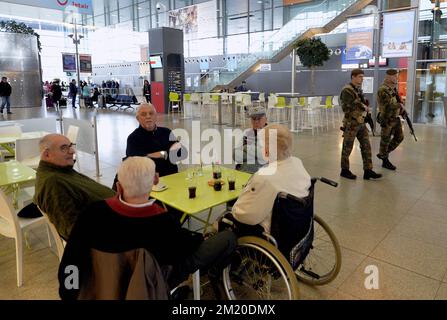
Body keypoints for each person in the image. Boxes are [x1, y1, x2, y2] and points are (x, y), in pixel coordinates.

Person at [58, 156, 237, 300]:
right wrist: (199, 238)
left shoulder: (93, 213)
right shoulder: (162, 221)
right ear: (155, 181)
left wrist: (70, 292)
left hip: (104, 283)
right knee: (226, 238)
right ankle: (213, 277)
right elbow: (182, 250)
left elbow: (71, 259)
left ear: (119, 186)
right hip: (153, 283)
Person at [230, 124, 311, 234]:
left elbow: (244, 215)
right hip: (298, 225)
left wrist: (234, 210)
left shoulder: (265, 177)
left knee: (226, 219)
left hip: (272, 231)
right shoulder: (298, 163)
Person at [34, 134, 115, 240]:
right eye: (64, 148)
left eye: (71, 146)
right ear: (47, 154)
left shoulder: (61, 170)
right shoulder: (53, 183)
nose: (72, 151)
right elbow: (71, 229)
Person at [339, 69, 382, 180]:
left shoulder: (357, 89)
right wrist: (362, 106)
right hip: (351, 122)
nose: (362, 79)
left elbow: (361, 103)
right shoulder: (347, 90)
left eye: (362, 77)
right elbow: (346, 108)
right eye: (360, 77)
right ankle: (344, 170)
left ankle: (368, 170)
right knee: (347, 147)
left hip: (361, 121)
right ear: (353, 77)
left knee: (366, 146)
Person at [126, 103, 187, 177]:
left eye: (151, 113)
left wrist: (152, 155)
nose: (148, 116)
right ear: (138, 118)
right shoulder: (133, 138)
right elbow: (137, 162)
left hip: (172, 176)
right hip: (149, 181)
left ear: (156, 116)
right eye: (144, 114)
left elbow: (181, 153)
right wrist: (167, 153)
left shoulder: (166, 132)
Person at [376, 69, 405, 170]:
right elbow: (387, 105)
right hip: (387, 118)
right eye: (395, 76)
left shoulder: (393, 89)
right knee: (385, 140)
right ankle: (385, 161)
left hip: (395, 118)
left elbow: (395, 102)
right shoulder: (383, 89)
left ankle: (383, 153)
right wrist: (400, 104)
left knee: (399, 137)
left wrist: (401, 110)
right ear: (388, 77)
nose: (396, 78)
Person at [234, 106, 268, 174]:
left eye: (259, 119)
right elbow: (235, 155)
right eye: (253, 119)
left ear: (266, 119)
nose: (256, 121)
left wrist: (245, 147)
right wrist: (255, 156)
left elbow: (265, 157)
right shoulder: (247, 132)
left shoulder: (270, 133)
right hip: (242, 171)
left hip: (261, 174)